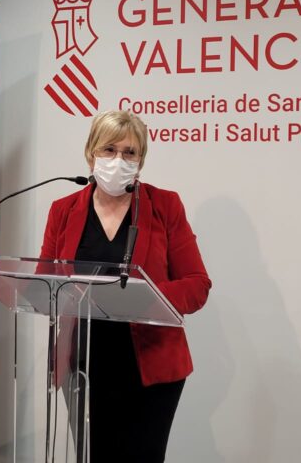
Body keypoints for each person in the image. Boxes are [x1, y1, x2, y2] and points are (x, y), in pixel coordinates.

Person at [40, 110, 211, 463]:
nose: (118, 160)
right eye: (109, 149)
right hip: (84, 363)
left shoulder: (164, 206)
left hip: (149, 366)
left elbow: (197, 285)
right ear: (91, 153)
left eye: (130, 152)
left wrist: (144, 299)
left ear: (140, 160)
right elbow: (44, 280)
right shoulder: (63, 210)